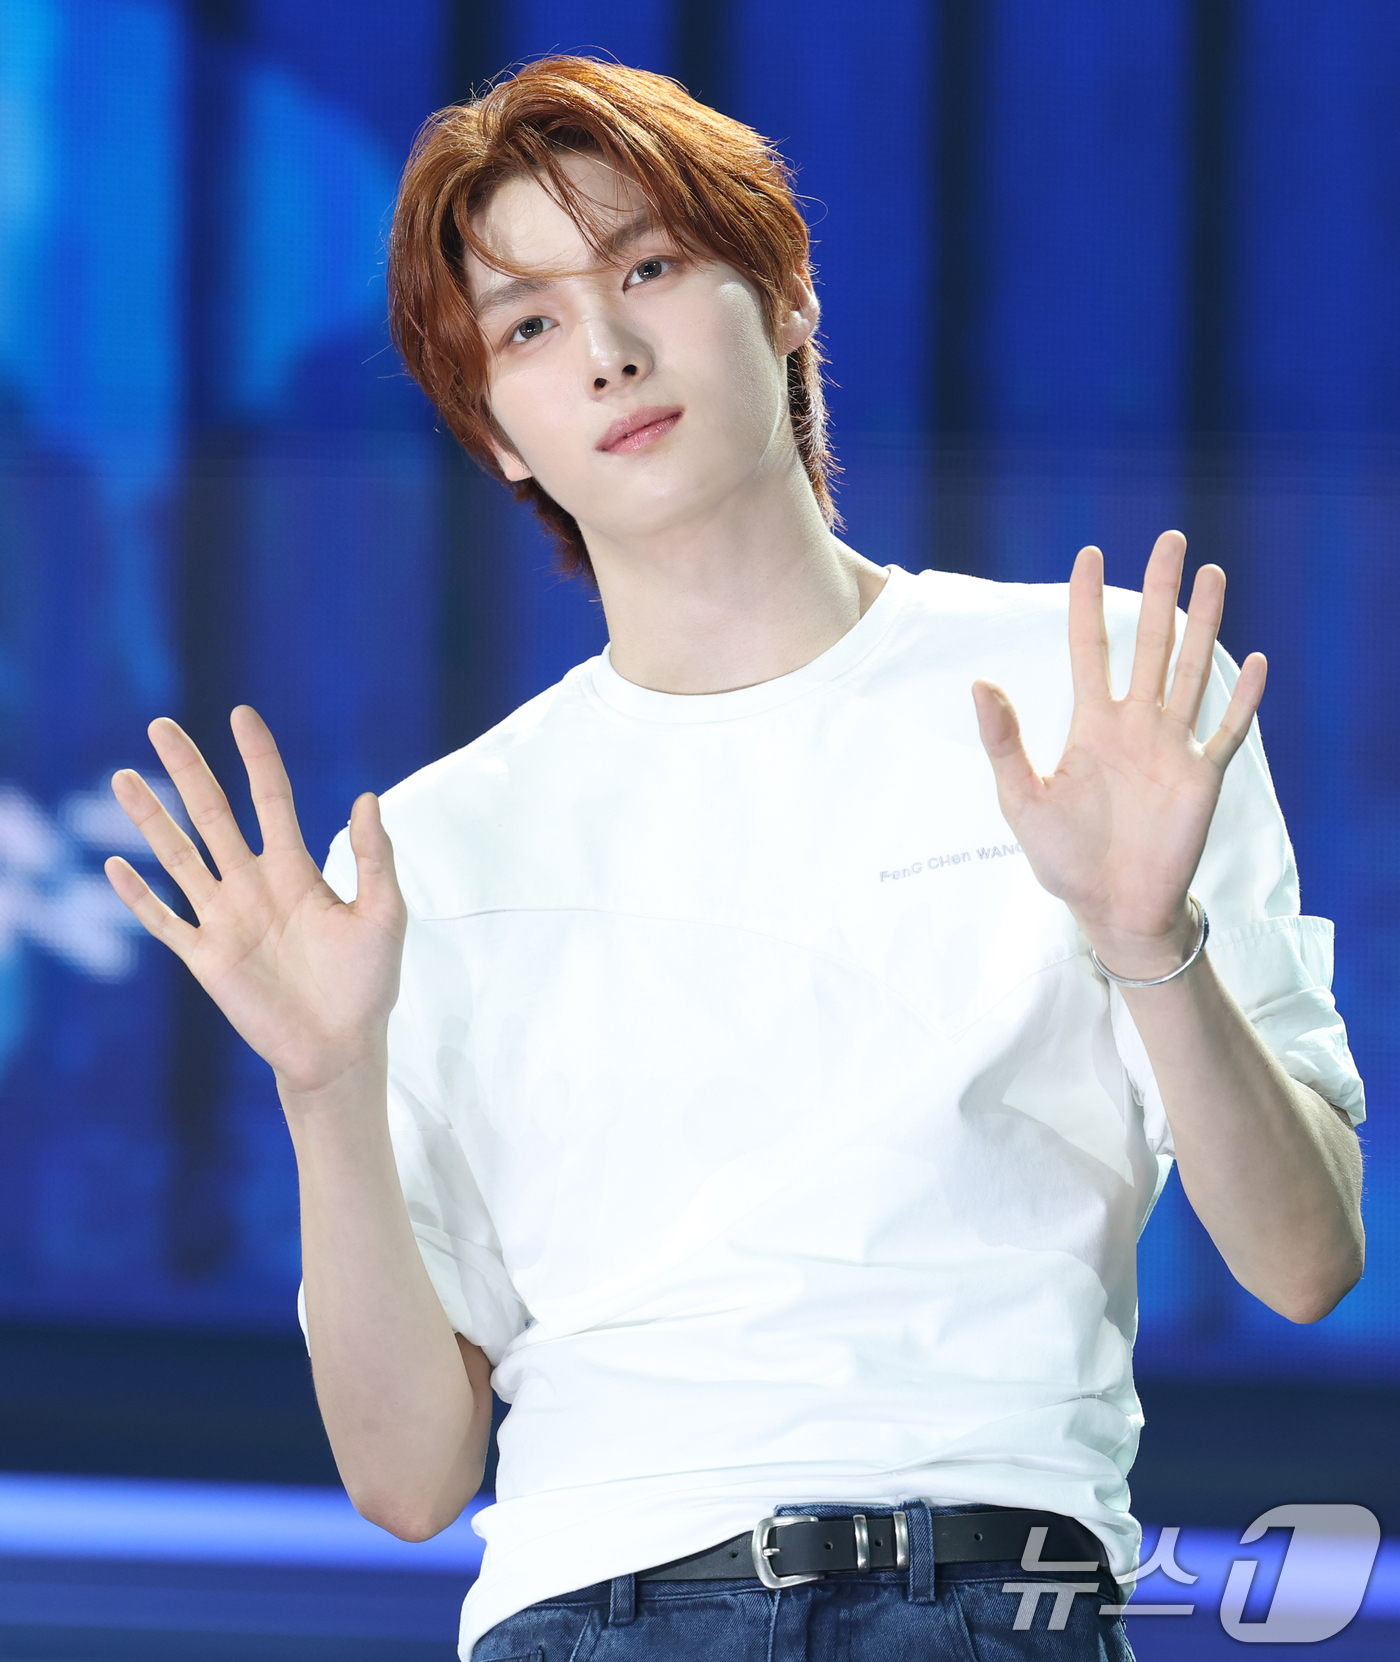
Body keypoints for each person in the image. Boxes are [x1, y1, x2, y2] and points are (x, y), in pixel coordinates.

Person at [104, 57, 1365, 1662]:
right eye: (528, 327)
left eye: (646, 268)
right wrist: (324, 1087)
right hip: (589, 1607)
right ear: (495, 432)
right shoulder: (430, 850)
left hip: (981, 1587)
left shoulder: (1097, 693)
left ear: (785, 299)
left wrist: (1147, 941)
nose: (608, 352)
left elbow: (1305, 1261)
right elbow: (408, 1479)